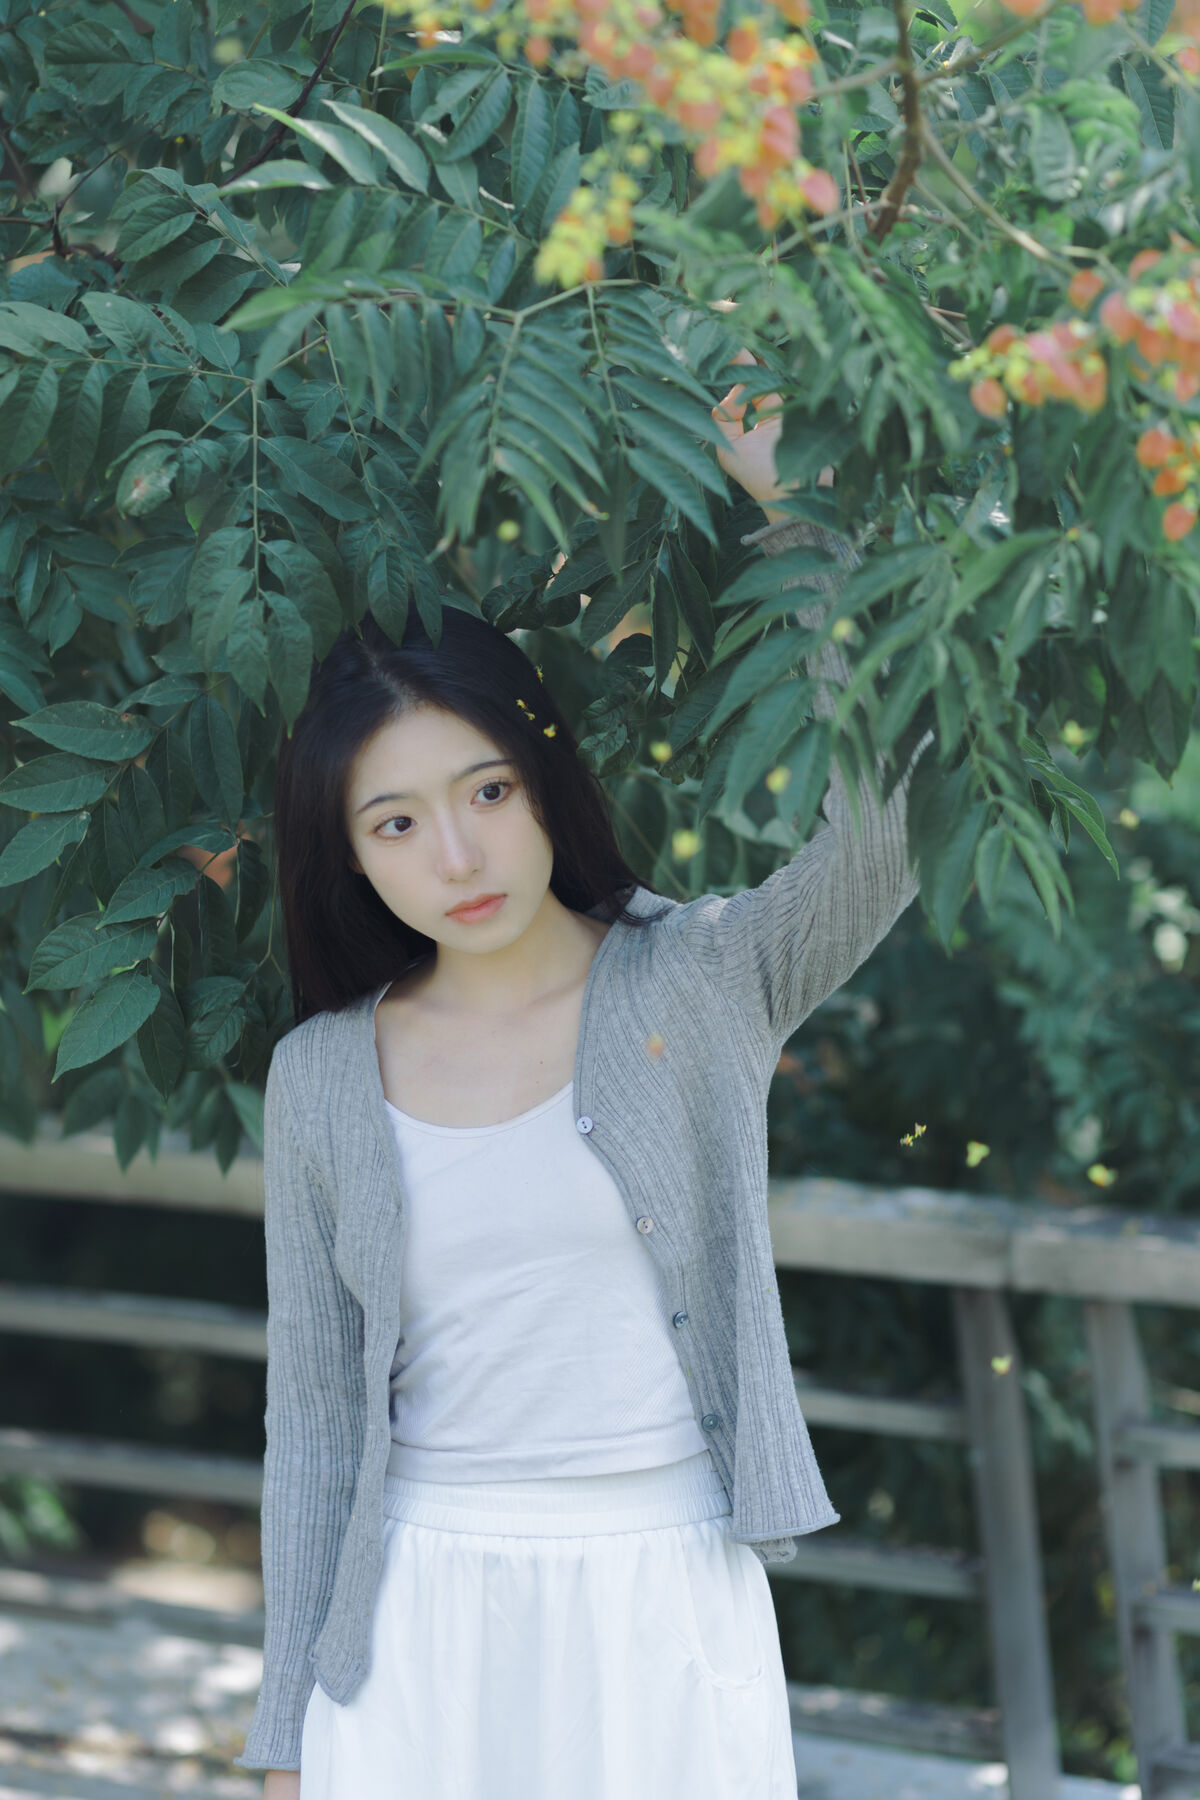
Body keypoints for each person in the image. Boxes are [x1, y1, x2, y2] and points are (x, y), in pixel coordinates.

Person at [233, 351, 933, 1798]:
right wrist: (285, 1741)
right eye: (396, 823)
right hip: (412, 1618)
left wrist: (801, 512)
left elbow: (894, 820)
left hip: (660, 1595)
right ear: (348, 857)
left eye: (486, 792)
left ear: (542, 780)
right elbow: (311, 1426)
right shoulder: (320, 1078)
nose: (459, 854)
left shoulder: (703, 978)